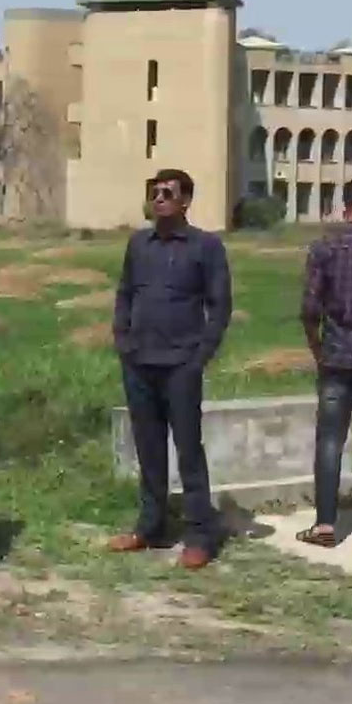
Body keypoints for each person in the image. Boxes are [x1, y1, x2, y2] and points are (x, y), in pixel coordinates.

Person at [109, 169, 232, 570]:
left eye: (167, 193)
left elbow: (220, 306)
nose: (158, 199)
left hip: (181, 365)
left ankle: (200, 535)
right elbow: (125, 293)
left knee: (188, 451)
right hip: (139, 363)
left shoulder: (206, 247)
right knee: (148, 450)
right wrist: (123, 340)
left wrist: (200, 357)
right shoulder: (138, 244)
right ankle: (151, 527)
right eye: (154, 193)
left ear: (185, 202)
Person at [297, 184, 352, 547]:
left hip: (336, 356)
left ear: (346, 206)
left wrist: (317, 350)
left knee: (331, 440)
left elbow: (309, 309)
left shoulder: (325, 248)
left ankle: (325, 525)